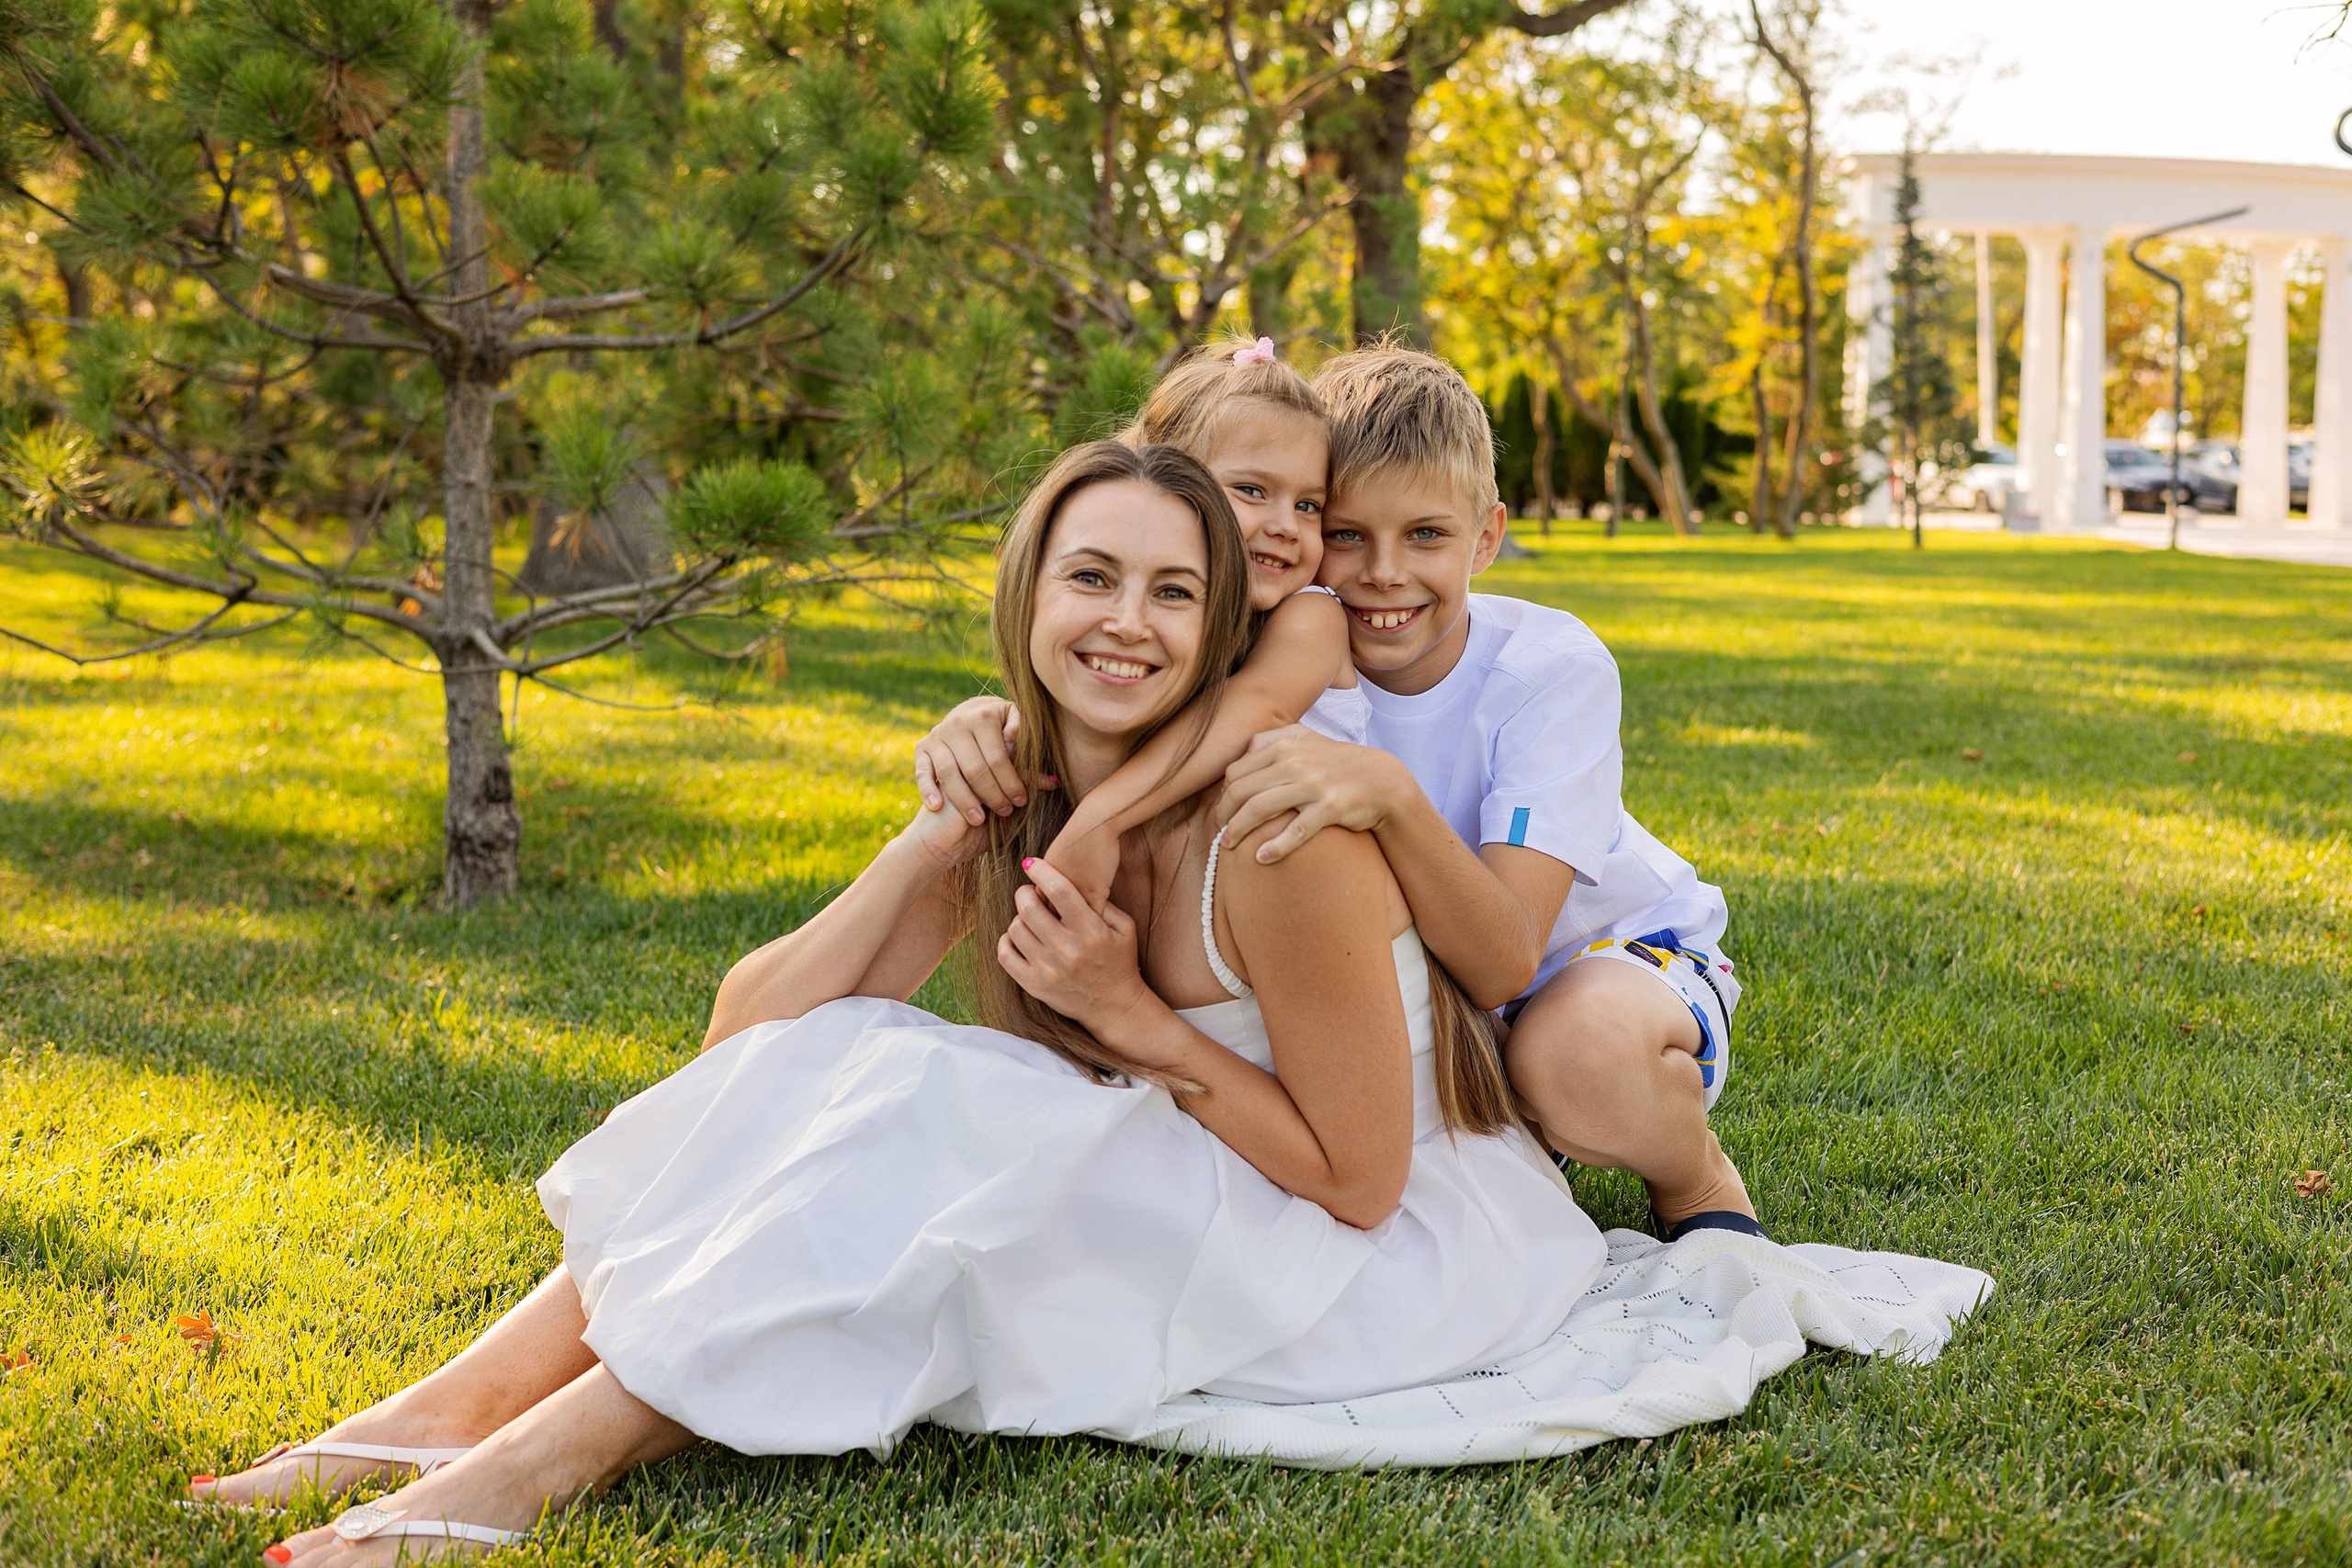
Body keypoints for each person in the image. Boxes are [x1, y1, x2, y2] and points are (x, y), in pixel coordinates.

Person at [202, 440, 1603, 1562]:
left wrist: (1132, 1016)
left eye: (1175, 592)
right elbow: (751, 1046)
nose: (1126, 622)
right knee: (864, 1059)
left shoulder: (1281, 831)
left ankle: (539, 1457)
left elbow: (1358, 1183)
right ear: (1029, 597)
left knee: (954, 1098)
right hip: (1201, 1177)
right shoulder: (1025, 786)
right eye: (1092, 577)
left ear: (1224, 621)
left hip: (1380, 1261)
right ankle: (444, 1411)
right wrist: (936, 839)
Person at [919, 345, 1756, 1242]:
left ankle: (1695, 1178)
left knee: (1576, 1064)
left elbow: (1505, 960)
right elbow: (1161, 706)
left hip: (1595, 958)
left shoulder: (1546, 669)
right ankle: (1511, 1121)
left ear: (1486, 536)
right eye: (1346, 532)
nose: (1381, 574)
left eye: (1426, 535)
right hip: (1425, 1002)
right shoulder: (1276, 631)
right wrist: (999, 718)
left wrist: (1391, 795)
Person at [914, 336, 1362, 908]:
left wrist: (1099, 820)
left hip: (1307, 891)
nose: (1286, 526)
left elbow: (1254, 707)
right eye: (1252, 490)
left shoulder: (1311, 616)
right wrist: (990, 720)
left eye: (1309, 505)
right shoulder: (1172, 631)